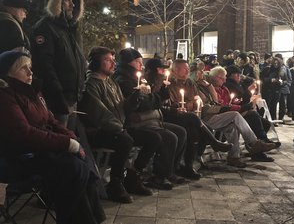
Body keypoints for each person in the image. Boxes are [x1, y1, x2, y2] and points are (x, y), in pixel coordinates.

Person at [0, 51, 105, 224]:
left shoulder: (34, 92)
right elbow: (24, 134)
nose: (30, 72)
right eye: (23, 68)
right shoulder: (5, 96)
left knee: (84, 160)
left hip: (42, 149)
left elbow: (51, 120)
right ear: (8, 73)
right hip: (20, 156)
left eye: (30, 67)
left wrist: (71, 138)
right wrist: (66, 143)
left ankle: (92, 218)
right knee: (73, 168)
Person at [169, 59, 276, 168]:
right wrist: (193, 103)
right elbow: (193, 104)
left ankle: (234, 157)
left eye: (189, 69)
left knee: (232, 126)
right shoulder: (174, 84)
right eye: (198, 71)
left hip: (207, 113)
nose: (201, 74)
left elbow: (207, 100)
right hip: (200, 117)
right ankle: (254, 143)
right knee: (235, 115)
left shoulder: (194, 84)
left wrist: (207, 86)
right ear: (176, 69)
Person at [78, 46, 152, 203]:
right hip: (99, 131)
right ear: (96, 62)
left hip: (119, 128)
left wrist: (135, 97)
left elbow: (123, 107)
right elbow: (100, 114)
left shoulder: (111, 83)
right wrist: (120, 128)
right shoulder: (91, 84)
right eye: (107, 60)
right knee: (125, 141)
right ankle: (115, 184)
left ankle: (133, 175)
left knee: (152, 138)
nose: (113, 64)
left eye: (113, 60)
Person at [144, 58, 232, 179]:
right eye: (185, 69)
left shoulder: (190, 83)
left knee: (193, 130)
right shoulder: (167, 83)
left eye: (188, 69)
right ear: (175, 70)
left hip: (188, 116)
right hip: (171, 115)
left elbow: (199, 99)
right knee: (191, 123)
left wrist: (195, 101)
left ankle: (188, 166)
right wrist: (184, 105)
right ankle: (213, 143)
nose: (188, 71)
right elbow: (171, 102)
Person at [113, 48, 187, 189]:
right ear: (129, 63)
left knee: (181, 132)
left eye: (142, 62)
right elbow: (143, 104)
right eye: (138, 62)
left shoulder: (138, 78)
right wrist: (156, 98)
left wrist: (157, 96)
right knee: (169, 137)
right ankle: (158, 176)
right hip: (138, 122)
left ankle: (170, 170)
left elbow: (150, 98)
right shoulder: (123, 80)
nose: (141, 65)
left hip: (152, 119)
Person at [30, 0, 86, 127]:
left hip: (72, 99)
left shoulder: (70, 28)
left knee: (70, 139)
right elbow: (45, 66)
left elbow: (77, 61)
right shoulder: (45, 27)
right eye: (67, 0)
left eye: (74, 0)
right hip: (57, 101)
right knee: (60, 141)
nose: (72, 4)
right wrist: (59, 98)